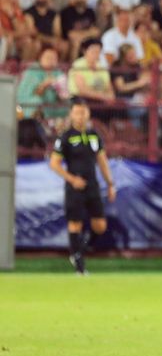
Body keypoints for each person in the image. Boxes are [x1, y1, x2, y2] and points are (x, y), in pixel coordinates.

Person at [48, 100, 117, 275]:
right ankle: (79, 266)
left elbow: (102, 160)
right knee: (75, 224)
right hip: (74, 187)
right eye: (77, 112)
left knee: (100, 226)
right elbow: (54, 164)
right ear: (71, 115)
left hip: (92, 185)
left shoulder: (94, 135)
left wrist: (110, 183)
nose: (80, 116)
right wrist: (72, 179)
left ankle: (80, 250)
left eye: (83, 112)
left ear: (88, 114)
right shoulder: (65, 136)